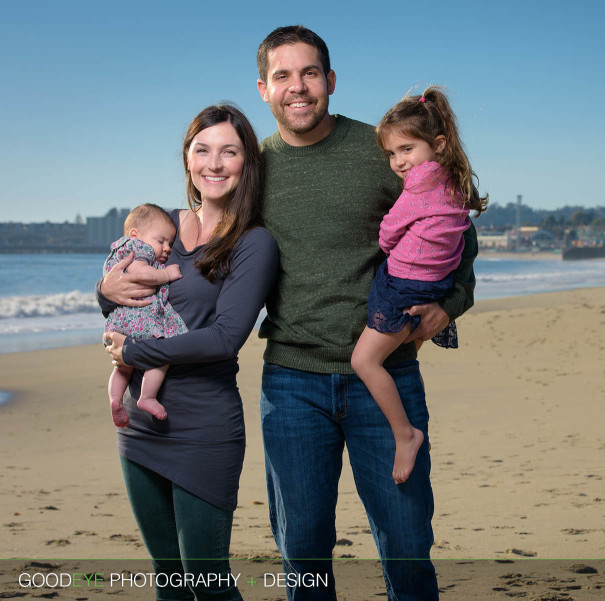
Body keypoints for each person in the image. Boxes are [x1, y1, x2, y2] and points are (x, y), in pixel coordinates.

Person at [255, 25, 477, 601]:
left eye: (309, 74)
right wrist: (119, 293)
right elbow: (207, 249)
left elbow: (459, 237)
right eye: (283, 76)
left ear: (330, 80)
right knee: (302, 551)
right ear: (264, 89)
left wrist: (447, 309)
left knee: (405, 545)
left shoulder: (382, 152)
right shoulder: (253, 167)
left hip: (388, 376)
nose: (297, 87)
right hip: (292, 383)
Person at [97, 104, 278, 601]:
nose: (214, 164)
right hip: (138, 425)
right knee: (170, 581)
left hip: (203, 426)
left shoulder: (253, 243)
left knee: (207, 584)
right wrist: (102, 293)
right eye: (202, 149)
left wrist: (136, 347)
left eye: (229, 151)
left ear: (247, 163)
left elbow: (224, 337)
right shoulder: (159, 231)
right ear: (187, 158)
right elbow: (119, 292)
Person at [350, 87, 488, 485]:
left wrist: (389, 241)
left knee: (364, 361)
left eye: (406, 149)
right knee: (406, 351)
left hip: (405, 283)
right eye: (392, 154)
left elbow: (390, 230)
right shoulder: (454, 184)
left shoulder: (421, 184)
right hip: (434, 283)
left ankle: (405, 434)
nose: (398, 162)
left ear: (438, 144)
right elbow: (459, 240)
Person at [104, 203, 186, 427]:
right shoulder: (138, 249)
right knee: (160, 357)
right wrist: (167, 273)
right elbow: (142, 274)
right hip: (141, 318)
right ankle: (147, 397)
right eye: (161, 241)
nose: (167, 248)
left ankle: (115, 399)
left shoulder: (118, 250)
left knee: (123, 367)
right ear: (135, 234)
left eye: (170, 243)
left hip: (118, 322)